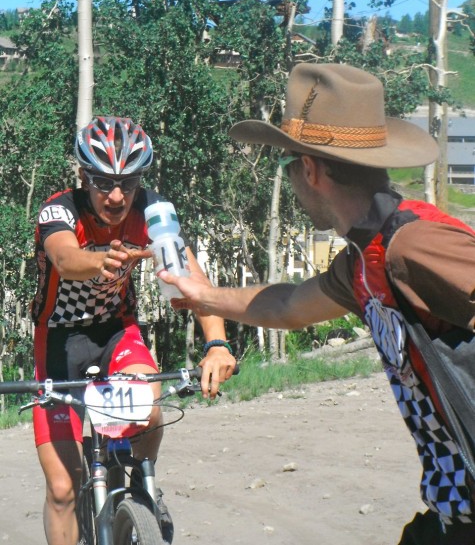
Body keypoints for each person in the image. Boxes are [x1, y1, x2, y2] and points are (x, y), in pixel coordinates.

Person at [158, 63, 475, 545]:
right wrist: (205, 296)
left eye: (288, 165)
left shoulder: (413, 246)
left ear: (310, 169)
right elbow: (288, 306)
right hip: (452, 511)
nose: (290, 179)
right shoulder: (365, 262)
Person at [31, 116, 236, 545]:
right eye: (104, 182)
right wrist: (102, 259)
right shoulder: (60, 209)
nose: (118, 196)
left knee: (150, 404)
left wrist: (216, 343)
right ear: (83, 176)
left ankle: (143, 484)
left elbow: (190, 277)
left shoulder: (152, 210)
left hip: (116, 332)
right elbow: (65, 258)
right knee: (63, 488)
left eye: (130, 181)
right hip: (59, 342)